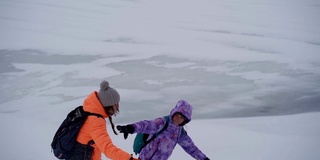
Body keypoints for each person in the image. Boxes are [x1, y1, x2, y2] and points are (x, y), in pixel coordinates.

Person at [117, 100, 210, 160]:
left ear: (185, 121)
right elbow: (146, 125)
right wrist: (130, 128)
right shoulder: (162, 122)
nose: (178, 119)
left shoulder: (180, 133)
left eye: (182, 118)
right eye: (178, 115)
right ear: (174, 112)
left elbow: (191, 148)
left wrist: (204, 158)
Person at [76, 80, 138, 160]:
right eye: (115, 104)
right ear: (108, 105)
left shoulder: (88, 112)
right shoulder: (96, 121)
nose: (118, 107)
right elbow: (108, 149)